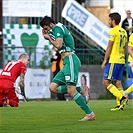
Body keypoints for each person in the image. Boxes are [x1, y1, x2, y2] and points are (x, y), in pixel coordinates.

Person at [40, 16, 96, 121]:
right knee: (53, 87)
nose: (46, 31)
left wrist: (48, 37)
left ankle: (90, 114)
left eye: (47, 28)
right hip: (66, 62)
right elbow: (58, 45)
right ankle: (81, 89)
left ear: (51, 24)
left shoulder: (57, 29)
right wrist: (48, 35)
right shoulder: (57, 28)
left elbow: (58, 44)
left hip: (70, 59)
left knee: (71, 91)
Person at [101, 12, 128, 111]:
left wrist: (105, 60)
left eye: (109, 20)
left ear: (113, 20)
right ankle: (120, 105)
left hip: (114, 60)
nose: (108, 22)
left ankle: (121, 98)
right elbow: (125, 47)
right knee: (118, 82)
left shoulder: (113, 31)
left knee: (106, 82)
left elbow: (109, 46)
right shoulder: (124, 32)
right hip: (121, 60)